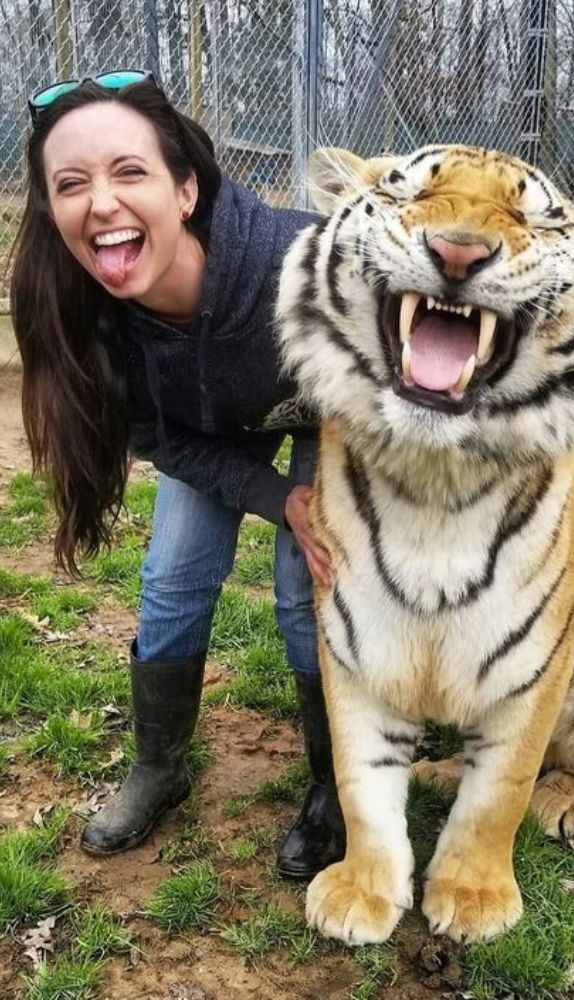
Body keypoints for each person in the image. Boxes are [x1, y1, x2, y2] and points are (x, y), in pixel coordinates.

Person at [11, 71, 343, 880]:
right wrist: (274, 497)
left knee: (307, 590)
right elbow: (163, 440)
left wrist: (313, 503)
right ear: (54, 214)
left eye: (130, 172)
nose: (101, 203)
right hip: (210, 431)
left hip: (330, 418)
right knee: (169, 579)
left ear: (186, 189)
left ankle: (337, 785)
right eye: (71, 184)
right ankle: (158, 766)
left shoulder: (297, 262)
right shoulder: (90, 325)